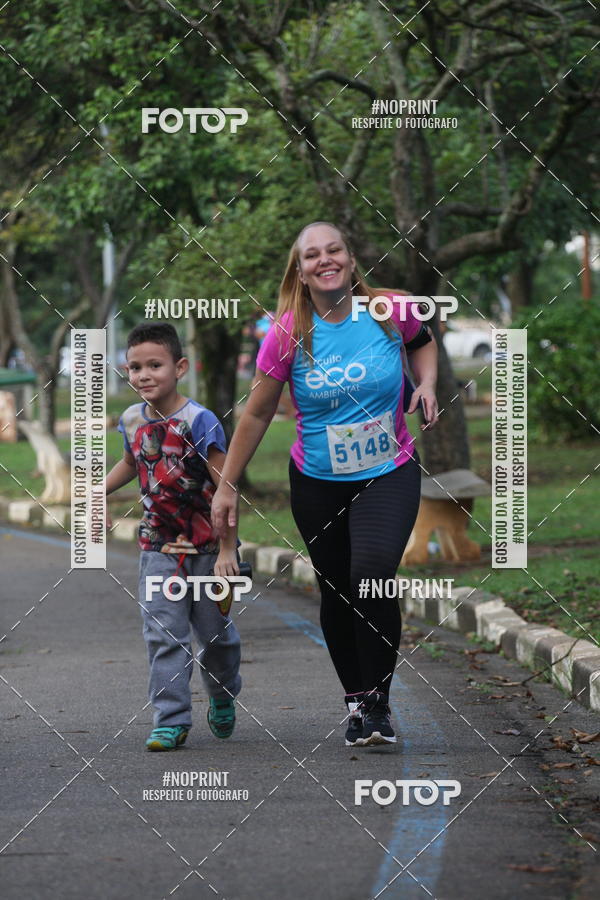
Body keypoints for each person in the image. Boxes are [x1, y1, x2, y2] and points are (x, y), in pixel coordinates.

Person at [212, 221, 438, 747]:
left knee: (373, 573)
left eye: (333, 249)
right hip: (317, 482)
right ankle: (356, 701)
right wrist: (226, 486)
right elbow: (256, 415)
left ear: (351, 259)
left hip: (388, 471)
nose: (324, 259)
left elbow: (424, 341)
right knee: (336, 590)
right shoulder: (288, 333)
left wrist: (425, 382)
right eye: (312, 255)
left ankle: (379, 703)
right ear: (301, 270)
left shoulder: (390, 311)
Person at [105, 323, 242, 751]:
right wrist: (99, 491)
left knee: (215, 636)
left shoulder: (199, 421)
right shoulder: (130, 420)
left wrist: (226, 549)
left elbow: (226, 490)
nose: (144, 375)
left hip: (207, 550)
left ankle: (222, 694)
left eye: (154, 365)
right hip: (158, 548)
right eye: (135, 367)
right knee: (163, 633)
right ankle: (170, 719)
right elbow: (131, 463)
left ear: (179, 367)